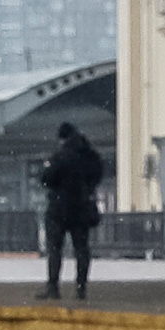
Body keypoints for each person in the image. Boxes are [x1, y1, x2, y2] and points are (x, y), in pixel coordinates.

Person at [37, 119, 108, 298]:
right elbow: (98, 175)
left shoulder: (60, 156)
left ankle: (53, 288)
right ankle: (81, 288)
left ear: (62, 138)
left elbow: (46, 179)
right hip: (82, 207)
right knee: (81, 248)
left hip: (58, 208)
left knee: (55, 249)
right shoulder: (90, 156)